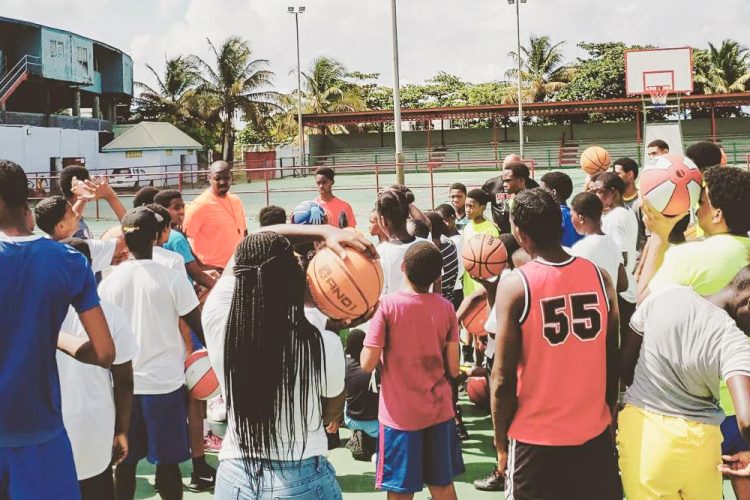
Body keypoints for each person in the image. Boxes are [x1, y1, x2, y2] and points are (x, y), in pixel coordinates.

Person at [202, 224, 372, 500]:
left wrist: (324, 232)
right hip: (301, 476)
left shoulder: (217, 318)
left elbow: (253, 243)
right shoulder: (320, 341)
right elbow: (331, 413)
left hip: (236, 475)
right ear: (291, 281)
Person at [491, 188, 621, 499]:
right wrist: (607, 418)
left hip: (536, 441)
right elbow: (611, 359)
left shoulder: (517, 285)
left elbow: (502, 378)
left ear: (519, 232)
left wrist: (499, 443)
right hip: (593, 436)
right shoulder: (601, 278)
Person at [0, 160, 115, 500]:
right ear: (28, 199)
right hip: (41, 431)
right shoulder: (68, 260)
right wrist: (57, 339)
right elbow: (106, 353)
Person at [636, 165, 750, 499]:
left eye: (701, 202)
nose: (695, 206)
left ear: (717, 213)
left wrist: (659, 235)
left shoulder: (689, 255)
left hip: (701, 404)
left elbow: (645, 307)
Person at [99, 207, 205, 500]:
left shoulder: (109, 282)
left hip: (123, 387)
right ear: (158, 237)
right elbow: (198, 324)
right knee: (168, 467)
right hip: (165, 385)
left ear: (125, 241)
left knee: (124, 466)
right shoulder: (172, 278)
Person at [618, 268, 750, 500]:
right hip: (700, 447)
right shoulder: (734, 341)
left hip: (643, 439)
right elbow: (746, 420)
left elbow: (625, 367)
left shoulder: (664, 294)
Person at [361, 241, 464, 499]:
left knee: (399, 491)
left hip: (400, 416)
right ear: (437, 276)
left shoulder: (387, 306)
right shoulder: (447, 308)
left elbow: (366, 363)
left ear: (404, 267)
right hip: (439, 412)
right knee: (442, 486)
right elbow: (453, 367)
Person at [56, 238, 138, 500]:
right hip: (95, 427)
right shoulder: (111, 314)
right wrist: (122, 431)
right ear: (89, 268)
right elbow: (124, 380)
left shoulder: (35, 311)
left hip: (47, 428)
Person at [589, 171, 638, 328]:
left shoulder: (614, 219)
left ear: (613, 193)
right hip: (626, 287)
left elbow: (620, 256)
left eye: (599, 192)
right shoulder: (626, 211)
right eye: (594, 191)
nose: (595, 195)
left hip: (620, 292)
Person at [184, 160, 247, 270]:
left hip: (237, 267)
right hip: (214, 271)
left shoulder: (236, 200)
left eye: (226, 178)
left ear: (231, 177)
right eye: (217, 179)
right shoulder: (200, 205)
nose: (222, 182)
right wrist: (202, 267)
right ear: (209, 178)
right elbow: (183, 241)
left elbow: (244, 232)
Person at [154, 190, 218, 290]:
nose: (182, 211)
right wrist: (222, 290)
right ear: (164, 210)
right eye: (176, 208)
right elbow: (196, 275)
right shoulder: (176, 238)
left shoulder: (155, 235)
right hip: (185, 295)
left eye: (182, 206)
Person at [375, 186, 433, 296]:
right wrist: (402, 201)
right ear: (407, 215)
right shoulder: (427, 245)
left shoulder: (380, 253)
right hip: (428, 312)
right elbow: (437, 282)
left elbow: (380, 297)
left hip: (395, 313)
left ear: (382, 220)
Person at [569, 192, 628, 294]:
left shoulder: (579, 249)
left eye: (571, 216)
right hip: (609, 305)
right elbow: (623, 285)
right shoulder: (613, 244)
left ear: (581, 218)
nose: (571, 220)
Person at [343, 329, 379, 460]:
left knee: (345, 394)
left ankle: (356, 435)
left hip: (352, 421)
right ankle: (372, 440)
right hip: (377, 425)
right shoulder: (378, 366)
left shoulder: (344, 365)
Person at [482, 161, 538, 233]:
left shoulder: (535, 202)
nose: (504, 184)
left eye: (508, 181)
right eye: (503, 181)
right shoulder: (511, 201)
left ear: (521, 180)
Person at [540, 171, 582, 247]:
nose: (539, 194)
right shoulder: (579, 216)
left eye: (542, 191)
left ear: (553, 192)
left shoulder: (552, 218)